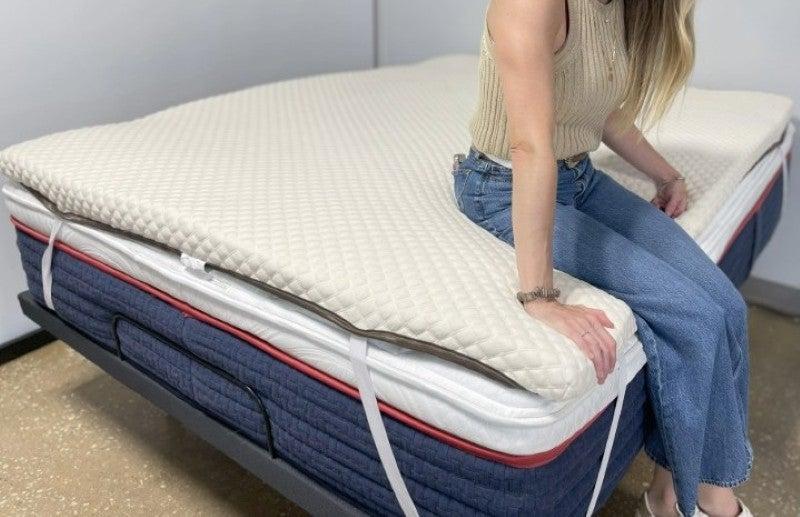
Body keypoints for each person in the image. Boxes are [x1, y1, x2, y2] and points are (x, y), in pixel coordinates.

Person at [452, 1, 753, 515]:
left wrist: (665, 174)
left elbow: (601, 111)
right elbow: (529, 147)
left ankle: (670, 493)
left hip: (579, 176)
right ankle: (704, 499)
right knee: (693, 315)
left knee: (726, 305)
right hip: (502, 184)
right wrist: (540, 298)